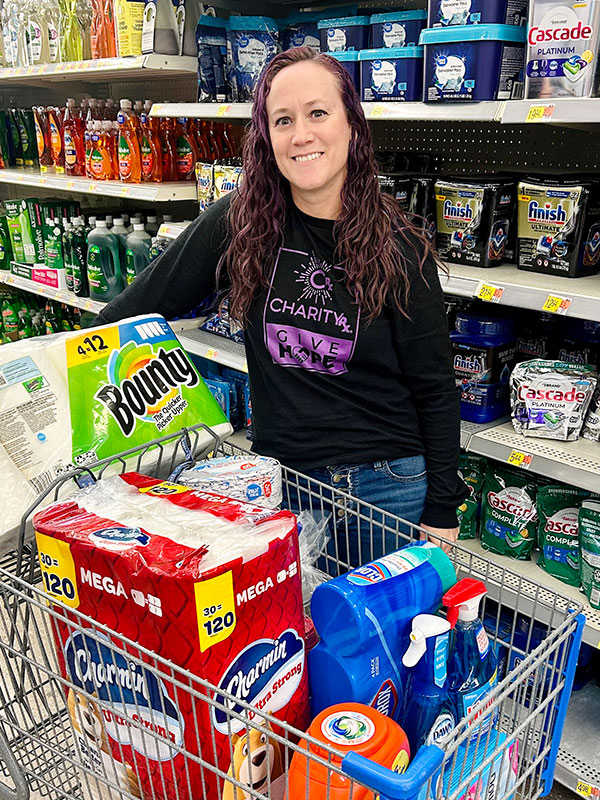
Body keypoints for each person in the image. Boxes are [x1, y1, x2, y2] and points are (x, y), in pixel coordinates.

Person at [94, 46, 467, 564]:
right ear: (267, 138)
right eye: (283, 120)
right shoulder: (238, 223)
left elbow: (435, 388)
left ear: (351, 125)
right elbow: (127, 313)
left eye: (318, 113)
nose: (302, 135)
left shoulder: (399, 244)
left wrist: (443, 509)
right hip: (280, 487)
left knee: (374, 644)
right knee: (288, 644)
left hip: (387, 488)